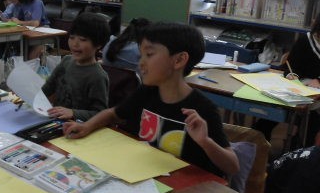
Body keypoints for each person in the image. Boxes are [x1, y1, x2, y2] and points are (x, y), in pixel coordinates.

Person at [63, 22, 239, 177]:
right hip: (143, 174)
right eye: (141, 55)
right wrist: (87, 126)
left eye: (149, 54)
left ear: (179, 60)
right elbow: (113, 113)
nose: (141, 63)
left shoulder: (202, 109)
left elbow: (232, 166)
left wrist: (206, 142)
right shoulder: (147, 92)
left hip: (185, 189)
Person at [255, 16, 320, 146]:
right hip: (300, 86)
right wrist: (292, 74)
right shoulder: (305, 40)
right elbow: (290, 66)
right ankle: (260, 141)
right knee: (273, 110)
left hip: (315, 92)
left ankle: (300, 146)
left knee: (312, 122)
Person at [43, 12, 110, 121]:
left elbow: (100, 113)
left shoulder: (98, 76)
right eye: (72, 37)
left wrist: (73, 113)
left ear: (98, 44)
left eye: (83, 40)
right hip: (54, 120)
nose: (75, 44)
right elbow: (47, 88)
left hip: (77, 126)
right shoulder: (66, 61)